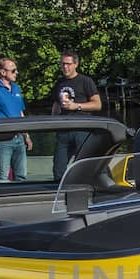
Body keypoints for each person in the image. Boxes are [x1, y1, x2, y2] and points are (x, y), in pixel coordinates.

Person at [49, 51, 101, 183]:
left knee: (85, 164)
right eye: (62, 64)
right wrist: (52, 122)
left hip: (81, 129)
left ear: (75, 64)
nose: (65, 67)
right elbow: (56, 105)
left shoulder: (85, 81)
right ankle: (59, 193)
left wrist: (76, 106)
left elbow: (97, 104)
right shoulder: (59, 83)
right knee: (58, 168)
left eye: (68, 64)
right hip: (63, 130)